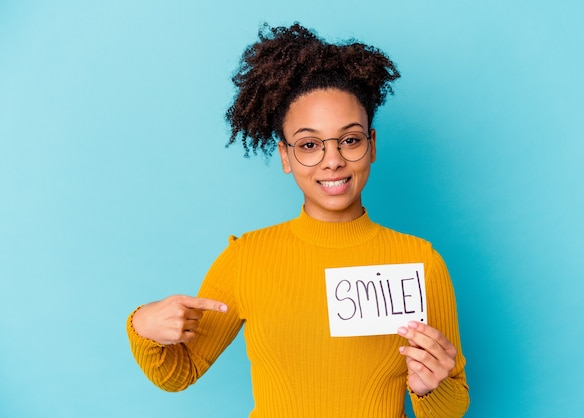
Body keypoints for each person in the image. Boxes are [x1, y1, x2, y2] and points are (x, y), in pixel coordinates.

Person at [127, 22, 469, 417]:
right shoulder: (247, 258)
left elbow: (453, 406)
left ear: (371, 146)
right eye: (309, 145)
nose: (333, 159)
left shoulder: (420, 262)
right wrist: (142, 324)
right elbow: (178, 373)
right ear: (286, 156)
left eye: (351, 139)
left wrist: (430, 387)